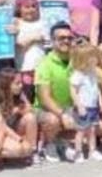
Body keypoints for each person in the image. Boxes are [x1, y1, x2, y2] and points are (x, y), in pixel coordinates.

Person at [35, 23, 77, 162]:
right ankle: (49, 145)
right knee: (53, 120)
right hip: (44, 109)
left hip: (68, 107)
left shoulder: (76, 60)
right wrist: (63, 114)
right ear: (52, 41)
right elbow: (44, 98)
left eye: (69, 38)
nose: (66, 41)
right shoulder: (44, 64)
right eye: (61, 38)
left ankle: (63, 142)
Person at [68, 42, 102, 163]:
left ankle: (93, 150)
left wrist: (100, 101)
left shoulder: (93, 72)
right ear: (84, 59)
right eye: (93, 57)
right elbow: (73, 92)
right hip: (83, 107)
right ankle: (78, 152)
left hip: (93, 106)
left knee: (92, 129)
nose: (96, 59)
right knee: (81, 130)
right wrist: (79, 106)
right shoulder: (78, 74)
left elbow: (96, 88)